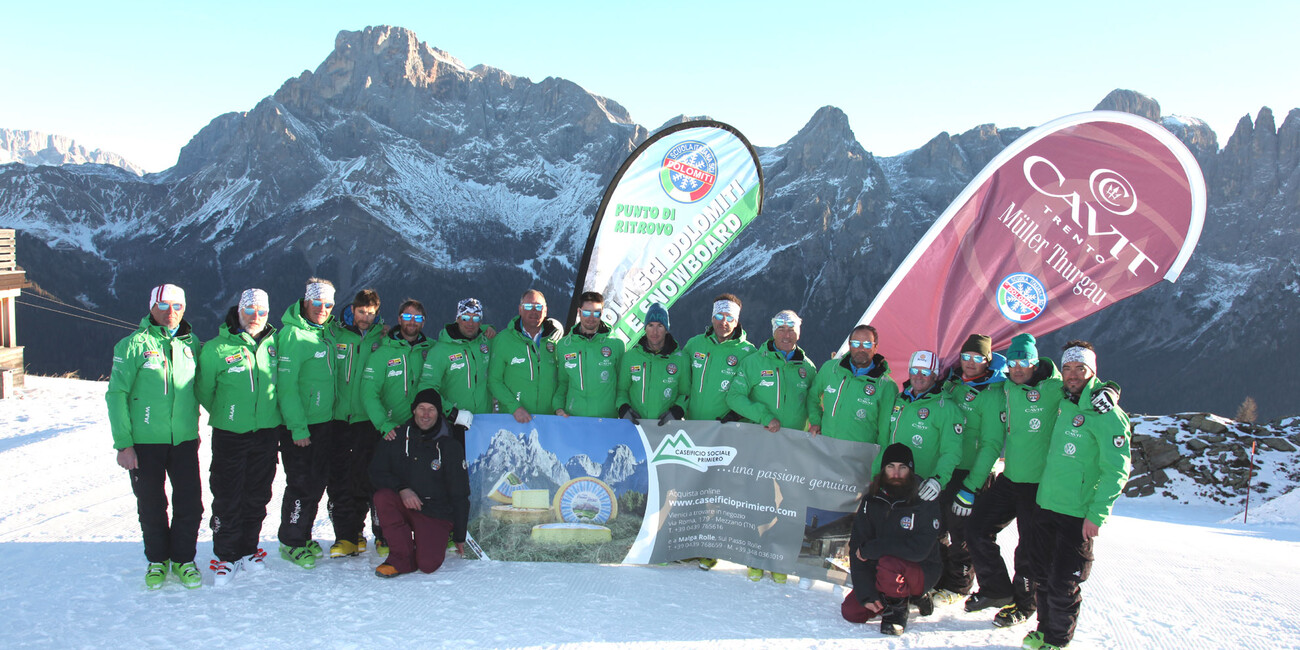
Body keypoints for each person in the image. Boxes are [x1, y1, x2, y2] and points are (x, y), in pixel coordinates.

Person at [1022, 341, 1131, 650]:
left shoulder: (1108, 414)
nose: (1072, 375)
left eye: (1079, 369)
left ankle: (1057, 642)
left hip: (1076, 514)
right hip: (1046, 505)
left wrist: (1097, 513)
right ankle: (1044, 631)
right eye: (1067, 368)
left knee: (1063, 584)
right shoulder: (1063, 400)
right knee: (1042, 577)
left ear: (1091, 371)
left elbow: (1118, 470)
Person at [106, 284, 204, 590]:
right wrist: (124, 444)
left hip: (184, 440)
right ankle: (157, 560)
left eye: (177, 306)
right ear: (152, 307)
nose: (171, 312)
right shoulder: (132, 345)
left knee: (190, 504)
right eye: (164, 305)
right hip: (145, 443)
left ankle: (184, 559)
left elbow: (201, 388)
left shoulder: (192, 344)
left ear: (184, 309)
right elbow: (116, 395)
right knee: (151, 504)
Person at [962, 332, 1060, 625]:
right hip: (1010, 479)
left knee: (1029, 549)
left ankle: (1024, 605)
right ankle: (996, 589)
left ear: (1035, 361)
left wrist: (1111, 390)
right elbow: (983, 377)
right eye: (1013, 362)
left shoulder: (1055, 387)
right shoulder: (1006, 387)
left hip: (1039, 486)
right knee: (976, 528)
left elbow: (1088, 386)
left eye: (1024, 362)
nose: (1018, 368)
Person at [195, 288, 280, 586]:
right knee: (228, 494)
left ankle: (247, 549)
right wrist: (229, 412)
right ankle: (225, 555)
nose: (256, 317)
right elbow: (204, 391)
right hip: (231, 433)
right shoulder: (217, 348)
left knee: (258, 494)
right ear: (239, 311)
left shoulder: (275, 344)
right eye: (250, 310)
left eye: (262, 312)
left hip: (267, 432)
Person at [725, 309, 816, 584]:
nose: (786, 335)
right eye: (781, 329)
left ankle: (778, 558)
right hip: (760, 443)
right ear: (773, 331)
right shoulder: (754, 362)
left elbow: (812, 402)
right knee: (759, 499)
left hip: (792, 447)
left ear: (798, 332)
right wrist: (765, 416)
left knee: (791, 504)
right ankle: (754, 556)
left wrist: (816, 423)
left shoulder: (807, 367)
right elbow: (734, 397)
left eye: (792, 330)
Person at [355, 298, 436, 557]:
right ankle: (382, 534)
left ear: (423, 322)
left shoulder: (431, 349)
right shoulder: (383, 352)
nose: (412, 323)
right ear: (399, 319)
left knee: (424, 481)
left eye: (418, 319)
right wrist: (383, 423)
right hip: (391, 429)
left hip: (422, 430)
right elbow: (368, 393)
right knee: (385, 484)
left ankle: (423, 530)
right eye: (407, 317)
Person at [932, 334, 1007, 604]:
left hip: (971, 473)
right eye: (966, 357)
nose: (971, 363)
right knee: (936, 524)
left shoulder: (993, 393)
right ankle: (937, 578)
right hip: (946, 467)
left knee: (961, 532)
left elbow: (991, 444)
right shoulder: (954, 383)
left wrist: (972, 486)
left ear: (987, 361)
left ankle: (958, 585)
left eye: (978, 358)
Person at [841, 443, 943, 636]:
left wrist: (875, 548)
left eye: (902, 467)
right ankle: (903, 596)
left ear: (910, 470)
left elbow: (920, 550)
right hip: (883, 571)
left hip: (921, 568)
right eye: (890, 467)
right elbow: (857, 545)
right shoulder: (872, 498)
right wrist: (866, 593)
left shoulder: (925, 498)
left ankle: (896, 611)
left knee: (889, 562)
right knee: (852, 612)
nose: (896, 473)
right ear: (883, 469)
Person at [369, 388, 470, 578]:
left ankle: (425, 541)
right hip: (406, 504)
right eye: (421, 408)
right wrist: (402, 489)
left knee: (428, 564)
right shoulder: (396, 437)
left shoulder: (450, 446)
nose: (425, 414)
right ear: (413, 410)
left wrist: (459, 535)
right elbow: (376, 472)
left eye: (431, 409)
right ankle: (401, 557)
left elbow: (460, 492)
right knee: (383, 497)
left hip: (435, 512)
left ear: (439, 413)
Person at [276, 278, 338, 569]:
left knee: (316, 483)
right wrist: (297, 428)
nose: (322, 309)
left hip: (324, 423)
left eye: (328, 304)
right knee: (300, 485)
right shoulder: (292, 335)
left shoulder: (325, 333)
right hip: (301, 427)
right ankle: (291, 541)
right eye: (317, 303)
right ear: (305, 302)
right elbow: (286, 387)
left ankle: (303, 532)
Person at [328, 289, 387, 557]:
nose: (365, 318)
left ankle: (380, 534)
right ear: (352, 310)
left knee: (370, 479)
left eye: (370, 313)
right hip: (338, 419)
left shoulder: (383, 337)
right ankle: (348, 536)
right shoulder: (335, 334)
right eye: (361, 312)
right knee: (341, 480)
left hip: (368, 420)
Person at [807, 324, 897, 443]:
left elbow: (885, 430)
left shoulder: (886, 386)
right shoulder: (831, 368)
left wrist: (880, 459)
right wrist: (815, 422)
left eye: (867, 344)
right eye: (855, 343)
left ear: (875, 347)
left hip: (859, 454)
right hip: (826, 446)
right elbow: (813, 396)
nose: (861, 348)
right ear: (849, 345)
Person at [489, 289, 564, 423]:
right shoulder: (503, 340)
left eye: (538, 307)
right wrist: (515, 407)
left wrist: (558, 407)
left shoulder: (556, 340)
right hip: (514, 419)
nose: (534, 311)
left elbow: (563, 379)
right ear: (520, 309)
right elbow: (494, 381)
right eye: (528, 306)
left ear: (545, 311)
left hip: (549, 420)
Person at [682, 294, 755, 422]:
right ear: (712, 318)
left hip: (726, 429)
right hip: (692, 426)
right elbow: (681, 381)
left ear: (736, 322)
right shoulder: (694, 344)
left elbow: (755, 392)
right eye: (719, 316)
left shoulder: (749, 352)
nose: (723, 322)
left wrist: (737, 414)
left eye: (730, 318)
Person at [419, 298, 494, 416]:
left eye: (475, 318)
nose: (470, 323)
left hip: (483, 420)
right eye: (465, 318)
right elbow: (427, 387)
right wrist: (452, 413)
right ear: (457, 319)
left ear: (480, 322)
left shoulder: (486, 342)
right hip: (453, 422)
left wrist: (489, 328)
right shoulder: (440, 351)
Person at [615, 302, 687, 424]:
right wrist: (624, 408)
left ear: (666, 329)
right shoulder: (630, 357)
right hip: (636, 426)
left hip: (666, 427)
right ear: (645, 328)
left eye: (660, 326)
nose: (654, 331)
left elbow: (686, 393)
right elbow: (621, 390)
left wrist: (677, 411)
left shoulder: (681, 359)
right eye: (650, 325)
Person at [554, 291, 623, 418]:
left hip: (606, 418)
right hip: (574, 416)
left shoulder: (616, 344)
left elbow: (622, 385)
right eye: (586, 312)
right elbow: (562, 382)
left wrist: (622, 409)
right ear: (579, 312)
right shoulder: (564, 345)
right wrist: (558, 408)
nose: (591, 318)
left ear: (602, 313)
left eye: (596, 313)